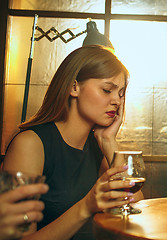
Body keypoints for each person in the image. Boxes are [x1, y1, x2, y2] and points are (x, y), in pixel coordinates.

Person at [2, 45, 144, 240]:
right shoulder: (29, 145)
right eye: (107, 90)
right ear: (74, 87)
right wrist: (86, 206)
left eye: (120, 93)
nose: (117, 101)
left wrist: (109, 141)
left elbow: (135, 206)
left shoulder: (96, 146)